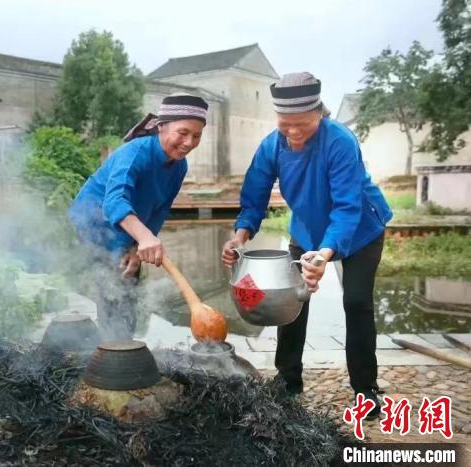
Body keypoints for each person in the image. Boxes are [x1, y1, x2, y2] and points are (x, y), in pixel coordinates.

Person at [221, 72, 392, 417]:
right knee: (289, 300)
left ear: (320, 114)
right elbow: (254, 196)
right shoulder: (271, 145)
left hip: (360, 229)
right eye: (286, 125)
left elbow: (347, 206)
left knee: (356, 302)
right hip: (305, 229)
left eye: (303, 124)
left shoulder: (340, 141)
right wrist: (240, 234)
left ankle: (365, 390)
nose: (294, 133)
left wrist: (325, 254)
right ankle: (288, 380)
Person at [69, 94, 209, 340]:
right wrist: (143, 237)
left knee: (130, 277)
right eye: (183, 132)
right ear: (161, 126)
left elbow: (159, 209)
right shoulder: (134, 153)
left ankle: (124, 343)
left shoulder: (179, 166)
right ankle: (114, 350)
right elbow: (113, 202)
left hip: (131, 226)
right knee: (113, 283)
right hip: (94, 222)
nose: (189, 142)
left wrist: (138, 246)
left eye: (196, 136)